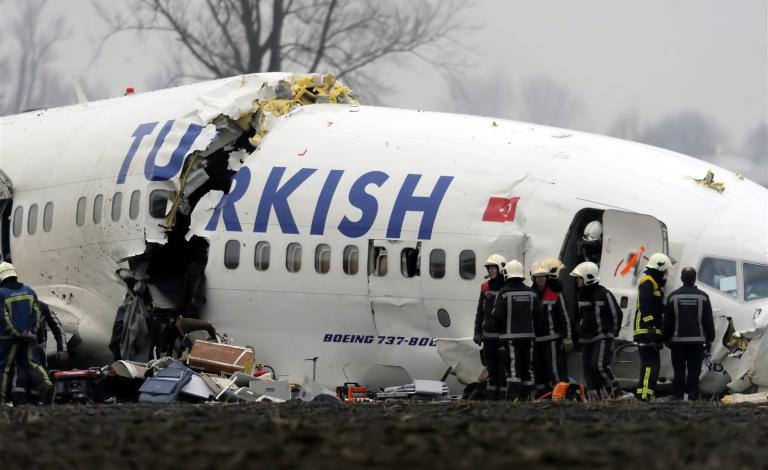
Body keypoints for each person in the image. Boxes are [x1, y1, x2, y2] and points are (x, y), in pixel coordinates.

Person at [0, 262, 53, 404]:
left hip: (8, 339)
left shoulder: (1, 294)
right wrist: (29, 331)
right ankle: (46, 385)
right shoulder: (29, 291)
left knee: (4, 369)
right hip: (28, 337)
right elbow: (36, 314)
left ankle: (2, 401)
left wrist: (17, 333)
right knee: (32, 363)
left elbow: (4, 318)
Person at [570, 261, 622, 399]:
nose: (577, 281)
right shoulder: (580, 295)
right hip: (586, 339)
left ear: (587, 278)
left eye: (579, 278)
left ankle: (616, 393)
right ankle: (596, 398)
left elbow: (616, 313)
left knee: (598, 365)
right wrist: (577, 335)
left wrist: (613, 333)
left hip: (602, 336)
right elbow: (579, 317)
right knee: (587, 369)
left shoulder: (604, 293)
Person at [663, 267, 715, 400]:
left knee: (679, 371)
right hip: (697, 344)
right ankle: (693, 397)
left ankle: (678, 397)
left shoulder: (673, 297)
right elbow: (708, 320)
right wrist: (710, 339)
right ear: (694, 278)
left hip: (677, 343)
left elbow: (668, 321)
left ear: (681, 278)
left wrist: (666, 339)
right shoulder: (703, 297)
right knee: (694, 372)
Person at [492, 260, 539, 401]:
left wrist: (498, 332)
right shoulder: (532, 293)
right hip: (529, 337)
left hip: (510, 338)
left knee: (513, 369)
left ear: (507, 275)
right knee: (528, 370)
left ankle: (513, 399)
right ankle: (529, 398)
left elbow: (497, 315)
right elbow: (539, 316)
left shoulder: (503, 293)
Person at [633, 253, 672, 401]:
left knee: (652, 363)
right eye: (664, 271)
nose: (665, 275)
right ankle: (644, 394)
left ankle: (646, 393)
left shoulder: (654, 283)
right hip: (645, 330)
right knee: (650, 364)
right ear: (659, 269)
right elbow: (645, 305)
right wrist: (650, 326)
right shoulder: (647, 282)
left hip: (650, 330)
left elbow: (656, 306)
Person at [531, 260, 572, 396]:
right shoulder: (531, 295)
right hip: (536, 341)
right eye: (538, 276)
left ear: (547, 277)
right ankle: (542, 399)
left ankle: (560, 399)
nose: (541, 279)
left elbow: (564, 317)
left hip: (553, 341)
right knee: (539, 372)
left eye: (543, 276)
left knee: (555, 372)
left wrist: (567, 338)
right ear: (534, 278)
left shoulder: (555, 293)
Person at [473, 254, 507, 400]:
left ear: (500, 269)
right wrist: (477, 332)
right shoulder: (485, 287)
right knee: (491, 369)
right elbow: (480, 312)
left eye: (493, 268)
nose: (491, 271)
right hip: (488, 336)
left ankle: (504, 400)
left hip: (503, 336)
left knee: (503, 369)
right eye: (489, 268)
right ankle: (492, 400)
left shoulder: (507, 287)